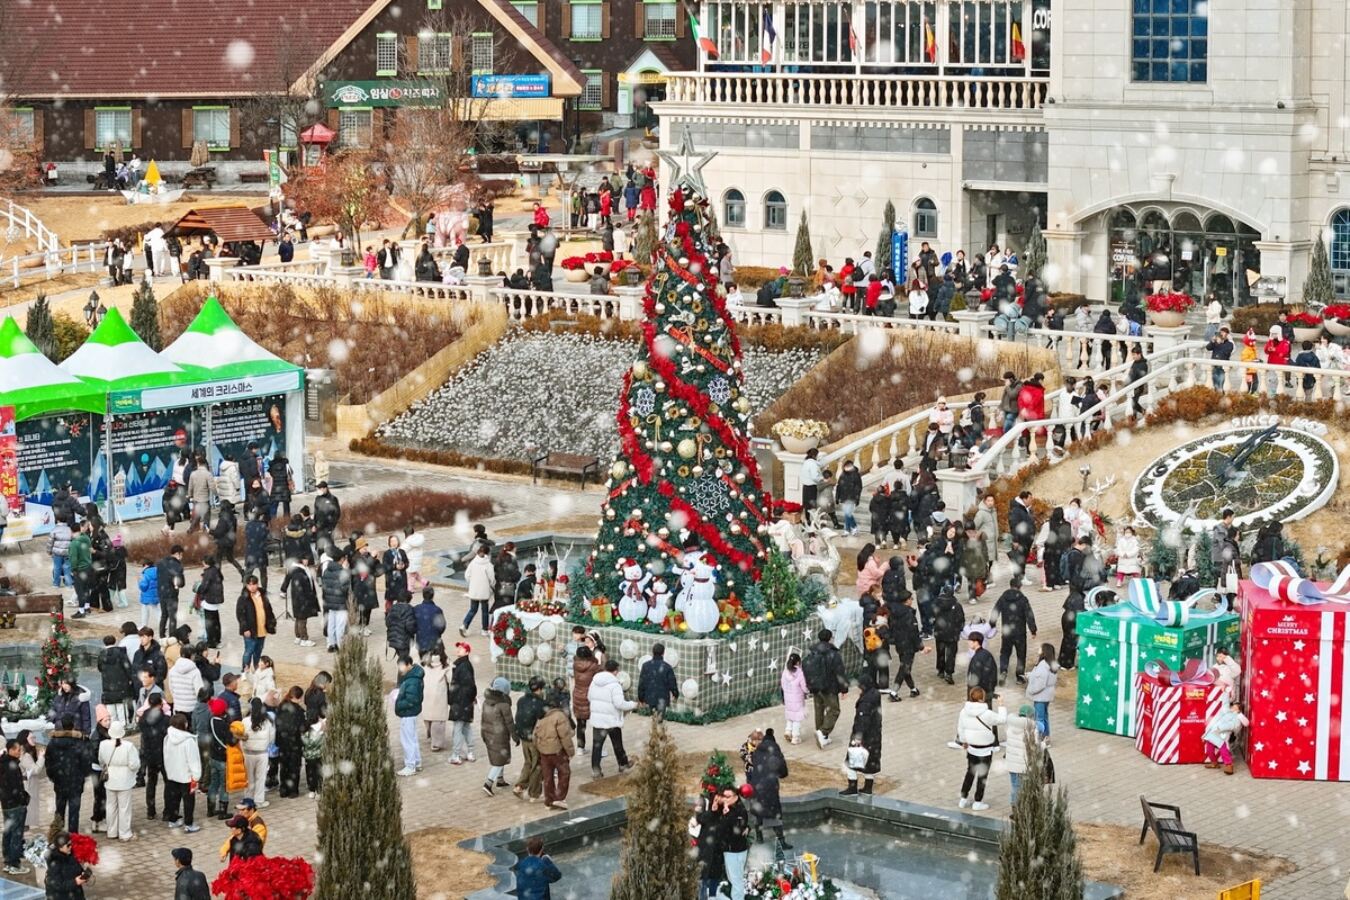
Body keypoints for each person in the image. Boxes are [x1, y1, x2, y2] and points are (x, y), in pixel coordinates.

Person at [957, 687, 1006, 812]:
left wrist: (964, 741)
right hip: (985, 749)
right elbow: (1002, 720)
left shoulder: (964, 711)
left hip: (972, 748)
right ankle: (978, 801)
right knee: (982, 775)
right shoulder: (987, 713)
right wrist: (1001, 705)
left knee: (970, 773)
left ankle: (963, 798)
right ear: (982, 698)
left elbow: (961, 728)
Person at [587, 659, 635, 778]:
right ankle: (623, 764)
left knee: (597, 746)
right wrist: (633, 704)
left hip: (598, 720)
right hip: (612, 721)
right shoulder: (615, 685)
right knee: (617, 744)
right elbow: (619, 704)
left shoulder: (594, 681)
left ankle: (596, 770)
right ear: (615, 671)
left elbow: (589, 697)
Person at [803, 629, 848, 748]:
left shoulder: (813, 652)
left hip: (816, 686)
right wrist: (844, 689)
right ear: (830, 638)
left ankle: (821, 734)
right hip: (830, 687)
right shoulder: (833, 654)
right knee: (834, 710)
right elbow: (840, 672)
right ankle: (823, 732)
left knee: (819, 709)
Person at [748, 729, 791, 852]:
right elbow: (783, 770)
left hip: (755, 785)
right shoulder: (775, 750)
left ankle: (759, 836)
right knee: (774, 812)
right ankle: (781, 840)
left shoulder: (757, 751)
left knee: (758, 810)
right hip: (769, 786)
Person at [98, 721, 139, 841]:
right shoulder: (128, 746)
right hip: (124, 780)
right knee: (124, 808)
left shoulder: (103, 744)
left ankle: (112, 831)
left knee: (111, 806)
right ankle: (125, 833)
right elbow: (134, 765)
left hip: (110, 779)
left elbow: (101, 761)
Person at [990, 576, 1037, 685]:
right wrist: (1033, 630)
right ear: (1020, 587)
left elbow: (995, 611)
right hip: (1020, 633)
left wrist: (992, 624)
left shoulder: (1003, 597)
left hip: (1007, 632)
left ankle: (1003, 670)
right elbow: (1029, 615)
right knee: (1021, 654)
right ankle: (1020, 677)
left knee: (1005, 652)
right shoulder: (1023, 599)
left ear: (1010, 586)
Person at [163, 714, 202, 833]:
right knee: (188, 801)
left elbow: (166, 756)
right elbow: (193, 760)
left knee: (174, 799)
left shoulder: (167, 738)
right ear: (184, 725)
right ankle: (189, 823)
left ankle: (173, 820)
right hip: (186, 776)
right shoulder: (188, 741)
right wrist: (196, 776)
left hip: (172, 774)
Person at [138, 690, 171, 819]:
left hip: (149, 754)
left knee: (151, 782)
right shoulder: (166, 719)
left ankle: (150, 810)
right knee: (168, 783)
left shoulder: (142, 719)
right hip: (163, 754)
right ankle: (167, 811)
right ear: (160, 704)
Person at [714, 784, 750, 900]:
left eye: (728, 796)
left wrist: (727, 815)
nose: (725, 799)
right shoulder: (728, 806)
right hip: (729, 850)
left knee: (736, 880)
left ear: (735, 796)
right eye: (723, 796)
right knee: (733, 878)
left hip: (736, 852)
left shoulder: (740, 810)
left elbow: (737, 831)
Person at [480, 676, 514, 795]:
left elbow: (483, 719)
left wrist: (483, 733)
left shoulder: (486, 702)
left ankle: (500, 779)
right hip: (500, 736)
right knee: (499, 761)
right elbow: (509, 722)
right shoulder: (504, 705)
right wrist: (515, 736)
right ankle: (488, 783)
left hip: (489, 735)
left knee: (500, 757)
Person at [0, 739, 30, 876]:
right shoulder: (11, 766)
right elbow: (15, 787)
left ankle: (7, 860)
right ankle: (14, 863)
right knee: (16, 834)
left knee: (8, 832)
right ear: (11, 750)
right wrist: (23, 798)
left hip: (6, 804)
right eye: (18, 750)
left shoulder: (3, 763)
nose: (20, 752)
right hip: (15, 805)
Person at [236, 576, 276, 673]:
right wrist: (245, 628)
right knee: (249, 651)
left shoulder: (263, 596)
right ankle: (245, 671)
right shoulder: (243, 598)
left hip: (262, 629)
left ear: (257, 584)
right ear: (246, 585)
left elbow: (269, 610)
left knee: (258, 651)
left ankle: (257, 669)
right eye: (250, 584)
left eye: (254, 584)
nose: (252, 587)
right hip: (250, 630)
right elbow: (240, 615)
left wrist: (271, 623)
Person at [394, 655, 425, 778]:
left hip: (408, 713)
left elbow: (412, 699)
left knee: (407, 740)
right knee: (412, 738)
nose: (400, 669)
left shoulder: (412, 680)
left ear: (408, 665)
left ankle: (410, 765)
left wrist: (399, 704)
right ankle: (416, 762)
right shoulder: (413, 677)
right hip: (411, 713)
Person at [449, 642, 478, 765]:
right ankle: (470, 752)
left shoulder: (463, 666)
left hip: (460, 702)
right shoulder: (463, 664)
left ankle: (456, 754)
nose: (459, 650)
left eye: (462, 648)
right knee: (466, 727)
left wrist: (457, 698)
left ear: (467, 652)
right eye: (458, 648)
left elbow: (469, 686)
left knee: (458, 728)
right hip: (464, 702)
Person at [1203, 699, 1249, 775]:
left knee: (1223, 749)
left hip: (1222, 735)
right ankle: (1214, 763)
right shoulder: (1225, 712)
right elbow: (1214, 722)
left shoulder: (1237, 717)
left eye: (1236, 707)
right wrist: (1205, 734)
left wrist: (1221, 727)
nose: (1233, 708)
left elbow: (1241, 724)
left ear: (1238, 709)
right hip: (1212, 733)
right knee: (1209, 750)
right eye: (1233, 706)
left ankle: (1229, 765)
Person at [280, 556, 318, 648]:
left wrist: (283, 590)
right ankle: (304, 638)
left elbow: (287, 580)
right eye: (305, 559)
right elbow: (300, 587)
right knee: (302, 618)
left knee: (298, 618)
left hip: (298, 599)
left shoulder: (297, 569)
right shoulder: (299, 572)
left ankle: (298, 636)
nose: (307, 561)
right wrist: (304, 600)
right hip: (302, 599)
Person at [931, 585, 965, 686]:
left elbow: (933, 615)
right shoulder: (957, 605)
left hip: (940, 632)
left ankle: (940, 670)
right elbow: (960, 619)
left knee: (940, 651)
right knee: (951, 653)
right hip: (952, 633)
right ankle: (949, 672)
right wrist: (960, 629)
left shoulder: (937, 603)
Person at [571, 645, 601, 755]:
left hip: (578, 695)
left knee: (580, 723)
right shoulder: (593, 666)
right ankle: (598, 747)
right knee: (596, 722)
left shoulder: (575, 664)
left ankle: (580, 747)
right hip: (591, 696)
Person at [1024, 643, 1058, 739]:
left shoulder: (1043, 666)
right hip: (1047, 696)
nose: (1038, 649)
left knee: (1039, 719)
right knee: (1045, 717)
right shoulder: (1051, 664)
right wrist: (1031, 675)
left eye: (1040, 648)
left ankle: (1040, 738)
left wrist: (1031, 690)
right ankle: (1046, 736)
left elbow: (1041, 683)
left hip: (1040, 696)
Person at [1004, 705, 1037, 803]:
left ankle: (1014, 806)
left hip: (1011, 763)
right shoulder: (1031, 730)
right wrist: (1044, 744)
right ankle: (1018, 808)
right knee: (1021, 787)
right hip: (1023, 764)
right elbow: (1036, 747)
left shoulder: (1010, 728)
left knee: (1014, 785)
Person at [461, 544, 496, 637]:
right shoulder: (488, 565)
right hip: (484, 591)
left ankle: (464, 625)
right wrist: (493, 586)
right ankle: (484, 630)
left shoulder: (473, 563)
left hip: (474, 590)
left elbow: (467, 575)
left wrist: (472, 583)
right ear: (487, 554)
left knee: (473, 609)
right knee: (484, 611)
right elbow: (492, 579)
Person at [513, 835, 562, 900]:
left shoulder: (520, 864)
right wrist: (548, 861)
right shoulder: (544, 864)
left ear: (527, 849)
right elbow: (557, 876)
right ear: (542, 849)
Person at [321, 550, 351, 652]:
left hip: (329, 602)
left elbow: (324, 587)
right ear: (342, 559)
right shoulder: (343, 572)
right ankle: (340, 646)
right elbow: (345, 589)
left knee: (331, 624)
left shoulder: (326, 570)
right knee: (340, 625)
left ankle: (332, 644)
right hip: (341, 602)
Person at [637, 643, 678, 715]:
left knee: (653, 715)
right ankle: (658, 724)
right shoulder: (667, 667)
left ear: (652, 652)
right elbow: (672, 682)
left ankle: (654, 724)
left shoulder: (646, 665)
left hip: (650, 696)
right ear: (663, 653)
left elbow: (642, 683)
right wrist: (675, 693)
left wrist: (641, 697)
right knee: (660, 717)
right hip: (662, 696)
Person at [44, 832, 88, 899]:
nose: (70, 847)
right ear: (60, 847)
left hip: (74, 894)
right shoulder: (54, 862)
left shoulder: (70, 854)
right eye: (68, 845)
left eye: (71, 844)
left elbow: (77, 868)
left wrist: (83, 874)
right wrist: (75, 882)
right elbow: (58, 885)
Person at [780, 654, 808, 744]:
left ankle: (788, 731)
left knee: (790, 715)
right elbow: (803, 686)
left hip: (788, 698)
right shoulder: (799, 673)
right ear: (798, 662)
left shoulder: (785, 671)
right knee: (797, 717)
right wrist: (807, 691)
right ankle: (795, 737)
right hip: (797, 698)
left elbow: (783, 684)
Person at [413, 585, 446, 662]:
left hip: (420, 641)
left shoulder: (416, 609)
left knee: (423, 663)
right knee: (433, 664)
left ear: (423, 595)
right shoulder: (437, 610)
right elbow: (442, 627)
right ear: (433, 596)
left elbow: (413, 625)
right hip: (434, 642)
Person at [1207, 326, 1235, 392]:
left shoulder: (1230, 344)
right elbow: (1208, 348)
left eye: (1223, 333)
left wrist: (1221, 343)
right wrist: (1213, 341)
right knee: (1215, 383)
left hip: (1223, 367)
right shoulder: (1215, 342)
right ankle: (1216, 396)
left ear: (1227, 335)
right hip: (1214, 366)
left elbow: (1226, 352)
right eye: (1221, 332)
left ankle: (1221, 396)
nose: (1222, 334)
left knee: (1221, 384)